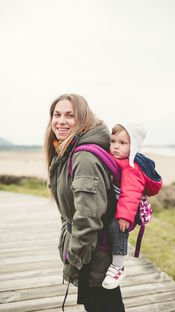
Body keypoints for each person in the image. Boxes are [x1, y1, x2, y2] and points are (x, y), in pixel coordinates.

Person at [44, 94, 125, 312]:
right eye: (57, 114)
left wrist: (75, 261)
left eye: (70, 115)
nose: (61, 121)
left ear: (82, 119)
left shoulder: (84, 158)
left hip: (93, 257)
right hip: (90, 253)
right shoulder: (66, 150)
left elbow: (88, 218)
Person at [102, 121, 163, 290]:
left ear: (133, 146)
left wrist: (125, 216)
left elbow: (131, 192)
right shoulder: (112, 157)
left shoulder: (131, 167)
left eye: (122, 143)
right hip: (118, 203)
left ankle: (118, 267)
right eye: (113, 141)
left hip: (130, 208)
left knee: (117, 227)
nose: (115, 146)